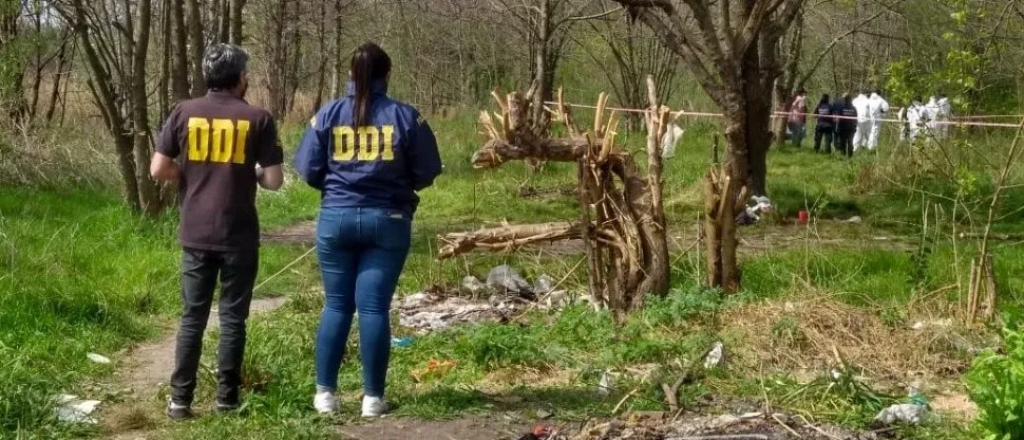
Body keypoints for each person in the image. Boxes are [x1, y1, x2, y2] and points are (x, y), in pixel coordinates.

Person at [294, 42, 442, 417]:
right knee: (374, 307)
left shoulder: (327, 115)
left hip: (336, 218)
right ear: (386, 75)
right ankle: (372, 398)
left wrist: (337, 187)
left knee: (337, 304)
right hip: (387, 220)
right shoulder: (407, 117)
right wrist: (398, 185)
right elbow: (428, 170)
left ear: (349, 74)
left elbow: (308, 168)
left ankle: (325, 394)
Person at [150, 44, 284, 420]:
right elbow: (273, 181)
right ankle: (227, 399)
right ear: (242, 78)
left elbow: (158, 169)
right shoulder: (259, 118)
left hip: (195, 231)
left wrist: (189, 177)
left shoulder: (183, 112)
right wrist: (252, 173)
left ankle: (180, 401)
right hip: (239, 233)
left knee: (192, 317)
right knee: (232, 319)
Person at [833, 93, 858, 158]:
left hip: (843, 128)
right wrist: (855, 126)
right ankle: (850, 156)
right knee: (850, 142)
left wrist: (837, 127)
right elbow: (856, 118)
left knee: (843, 142)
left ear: (845, 100)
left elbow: (838, 118)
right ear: (850, 100)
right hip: (850, 128)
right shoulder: (854, 108)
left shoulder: (842, 108)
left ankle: (843, 155)